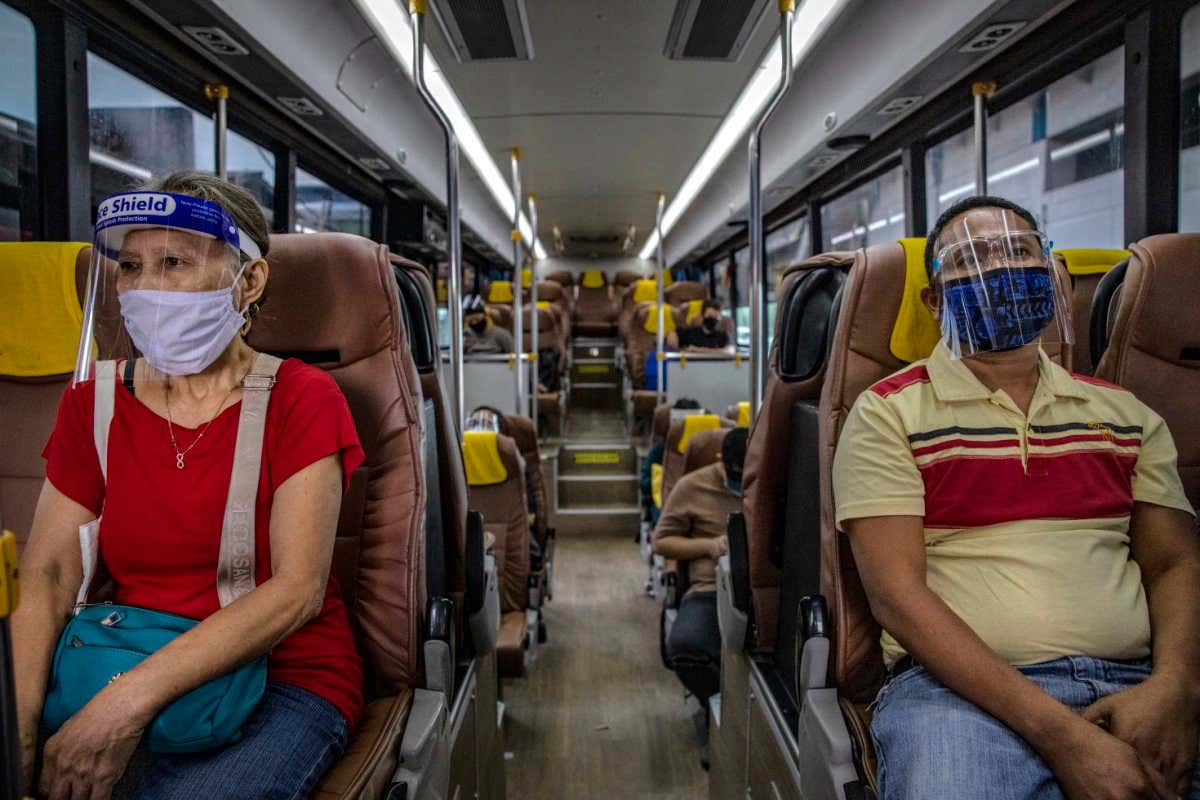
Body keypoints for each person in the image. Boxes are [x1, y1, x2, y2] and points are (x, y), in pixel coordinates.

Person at [832, 195, 1200, 800]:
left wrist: (1177, 688)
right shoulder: (889, 414)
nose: (999, 272)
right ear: (934, 300)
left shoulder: (1123, 414)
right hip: (956, 695)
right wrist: (1066, 737)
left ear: (1053, 278)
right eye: (972, 260)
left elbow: (1175, 562)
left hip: (1136, 679)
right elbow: (896, 596)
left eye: (1018, 251)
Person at [14, 171, 365, 799]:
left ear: (248, 281)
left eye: (174, 262)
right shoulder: (91, 404)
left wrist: (121, 708)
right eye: (130, 267)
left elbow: (297, 591)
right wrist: (15, 726)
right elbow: (47, 576)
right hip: (121, 651)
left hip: (284, 675)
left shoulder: (303, 398)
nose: (147, 289)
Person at [653, 426, 747, 767]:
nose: (740, 484)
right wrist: (710, 546)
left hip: (760, 589)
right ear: (721, 461)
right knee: (686, 648)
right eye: (735, 476)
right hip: (709, 588)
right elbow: (661, 542)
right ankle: (716, 708)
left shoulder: (769, 483)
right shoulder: (692, 486)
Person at [640, 398, 702, 525]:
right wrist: (662, 482)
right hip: (667, 505)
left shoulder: (708, 448)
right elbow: (644, 482)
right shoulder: (661, 448)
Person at [668, 299, 732, 353]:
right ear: (702, 316)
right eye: (710, 316)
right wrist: (672, 335)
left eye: (716, 317)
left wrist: (700, 350)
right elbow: (673, 336)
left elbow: (729, 350)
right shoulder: (690, 332)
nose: (713, 319)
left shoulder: (722, 335)